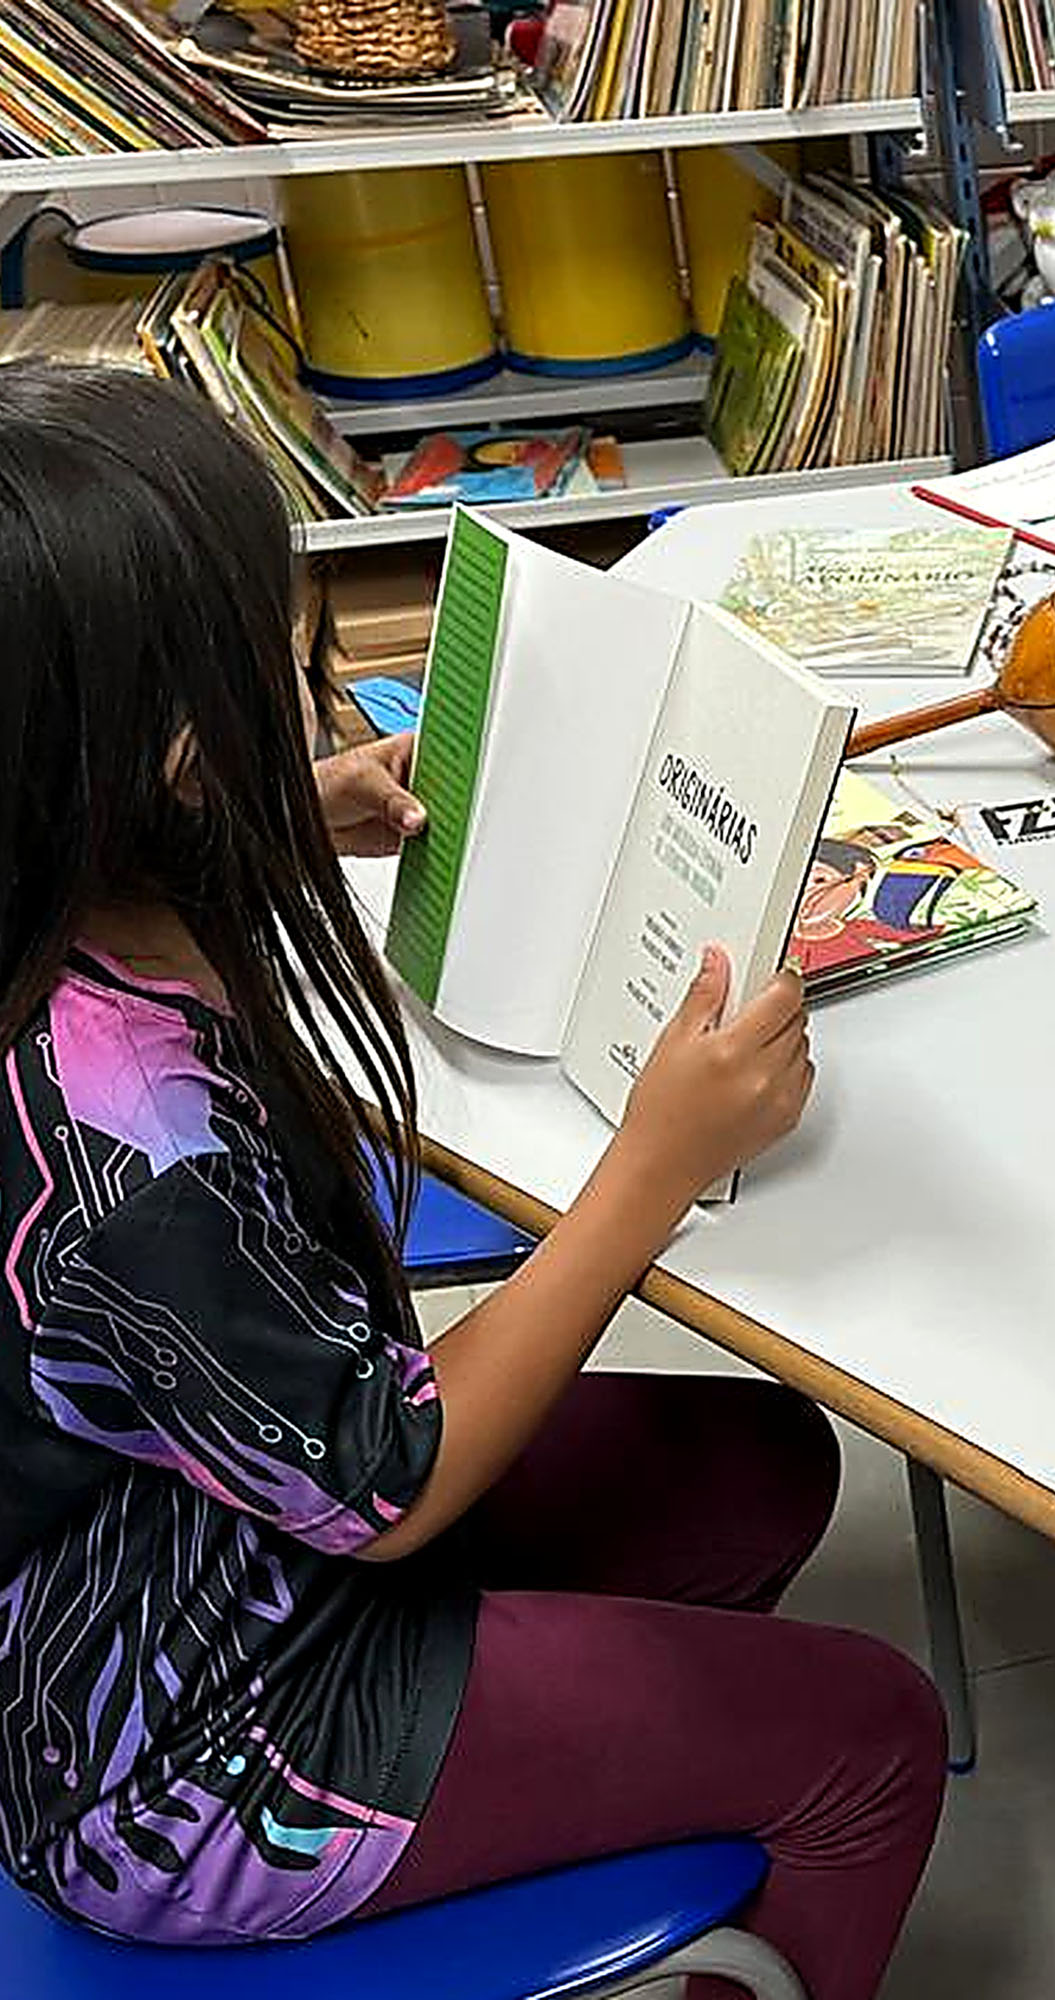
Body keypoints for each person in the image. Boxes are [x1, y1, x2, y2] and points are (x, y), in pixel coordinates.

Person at [0, 362, 943, 2000]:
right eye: (271, 680)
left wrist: (291, 813)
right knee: (872, 1737)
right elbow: (390, 1487)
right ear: (160, 753)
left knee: (766, 1468)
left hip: (239, 1535)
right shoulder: (123, 1151)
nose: (300, 697)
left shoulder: (56, 882)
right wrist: (655, 1165)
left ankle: (620, 1834)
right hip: (193, 1755)